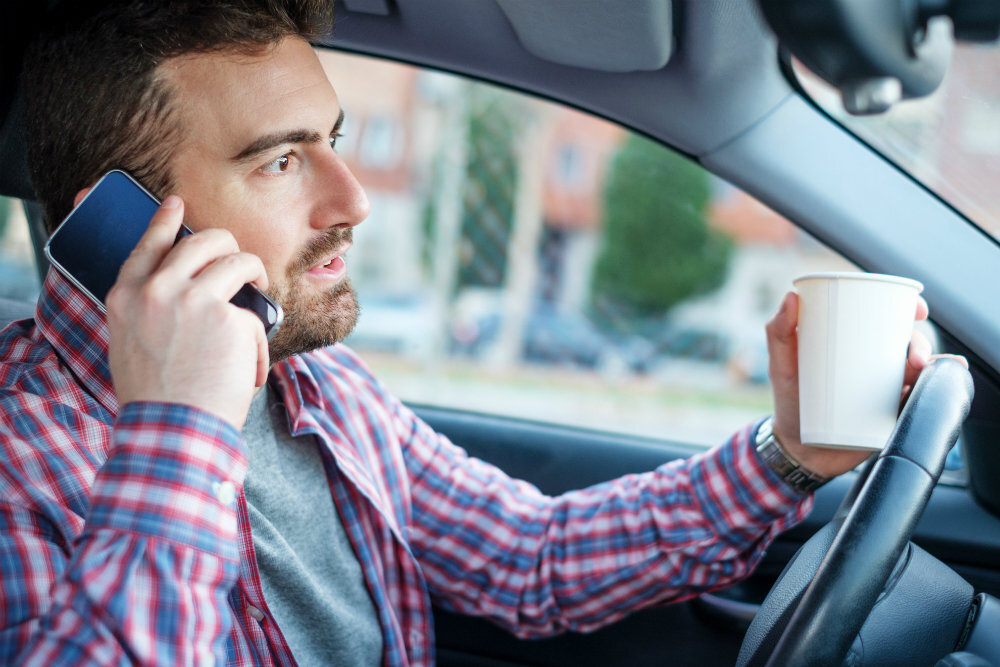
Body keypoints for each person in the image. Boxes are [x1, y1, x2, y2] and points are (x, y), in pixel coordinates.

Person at [0, 1, 946, 664]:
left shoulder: (317, 386)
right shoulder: (19, 457)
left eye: (334, 138)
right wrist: (177, 430)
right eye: (281, 160)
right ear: (121, 225)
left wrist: (792, 454)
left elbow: (531, 558)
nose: (355, 199)